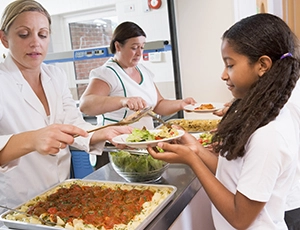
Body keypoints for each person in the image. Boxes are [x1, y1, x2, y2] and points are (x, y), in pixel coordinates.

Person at [148, 13, 300, 229]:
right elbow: (234, 174)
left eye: (230, 65)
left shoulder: (269, 135)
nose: (223, 75)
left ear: (262, 65)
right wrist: (197, 151)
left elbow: (240, 217)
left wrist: (192, 160)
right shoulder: (258, 119)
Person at [0, 0, 132, 215]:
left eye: (42, 35)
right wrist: (31, 139)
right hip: (15, 204)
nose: (35, 43)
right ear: (4, 38)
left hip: (60, 194)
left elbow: (72, 122)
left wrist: (102, 133)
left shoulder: (56, 76)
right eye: (24, 34)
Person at [79, 21, 196, 130]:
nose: (139, 53)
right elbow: (85, 105)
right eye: (134, 48)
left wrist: (181, 104)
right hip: (116, 146)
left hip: (143, 143)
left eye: (142, 47)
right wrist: (123, 101)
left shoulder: (143, 71)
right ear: (118, 46)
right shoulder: (107, 73)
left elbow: (158, 104)